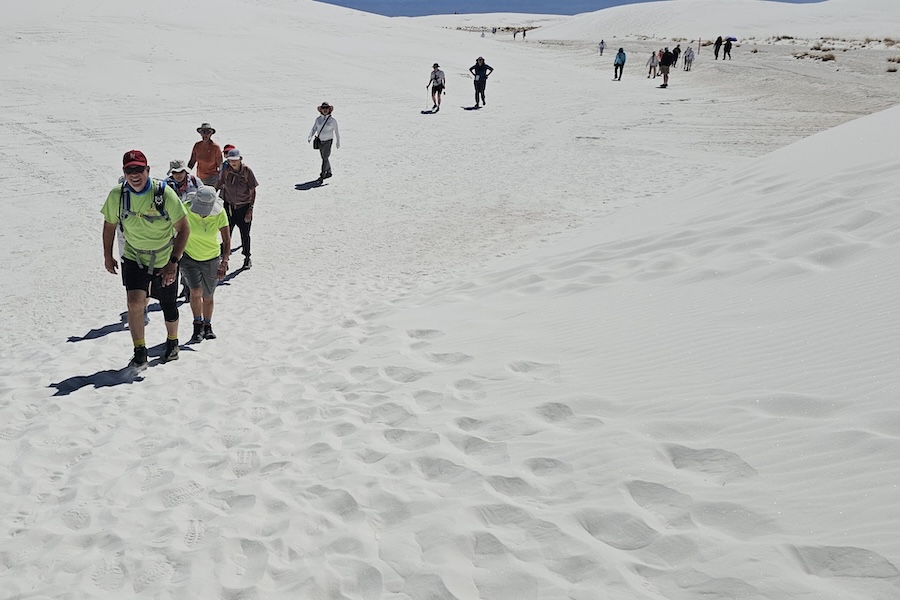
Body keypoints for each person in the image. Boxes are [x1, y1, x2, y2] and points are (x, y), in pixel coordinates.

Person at [102, 150, 189, 368]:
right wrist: (107, 255)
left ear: (147, 170)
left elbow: (184, 228)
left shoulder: (164, 194)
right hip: (134, 256)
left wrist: (173, 262)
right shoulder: (117, 195)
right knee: (134, 302)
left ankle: (172, 342)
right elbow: (109, 226)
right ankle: (139, 350)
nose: (135, 174)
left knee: (168, 303)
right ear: (124, 172)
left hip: (164, 257)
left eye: (139, 169)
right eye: (130, 170)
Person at [181, 186, 230, 343]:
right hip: (189, 257)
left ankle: (207, 325)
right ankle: (197, 325)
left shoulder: (220, 213)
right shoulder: (185, 209)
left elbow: (226, 240)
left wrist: (224, 262)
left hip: (212, 258)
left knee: (208, 296)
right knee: (195, 291)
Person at [216, 148, 258, 269]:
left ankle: (247, 257)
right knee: (226, 234)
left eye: (235, 160)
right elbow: (220, 183)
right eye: (230, 160)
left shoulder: (247, 171)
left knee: (245, 234)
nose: (233, 162)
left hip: (244, 207)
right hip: (229, 207)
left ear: (240, 159)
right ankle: (225, 260)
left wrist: (250, 209)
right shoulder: (226, 171)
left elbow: (253, 191)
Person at [307, 102, 341, 184]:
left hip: (328, 141)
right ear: (321, 110)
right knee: (324, 157)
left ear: (329, 109)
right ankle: (329, 172)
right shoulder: (318, 119)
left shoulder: (332, 120)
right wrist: (310, 136)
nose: (325, 110)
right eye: (323, 108)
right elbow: (314, 128)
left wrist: (338, 141)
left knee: (325, 158)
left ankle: (322, 175)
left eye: (326, 108)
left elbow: (336, 131)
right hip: (320, 141)